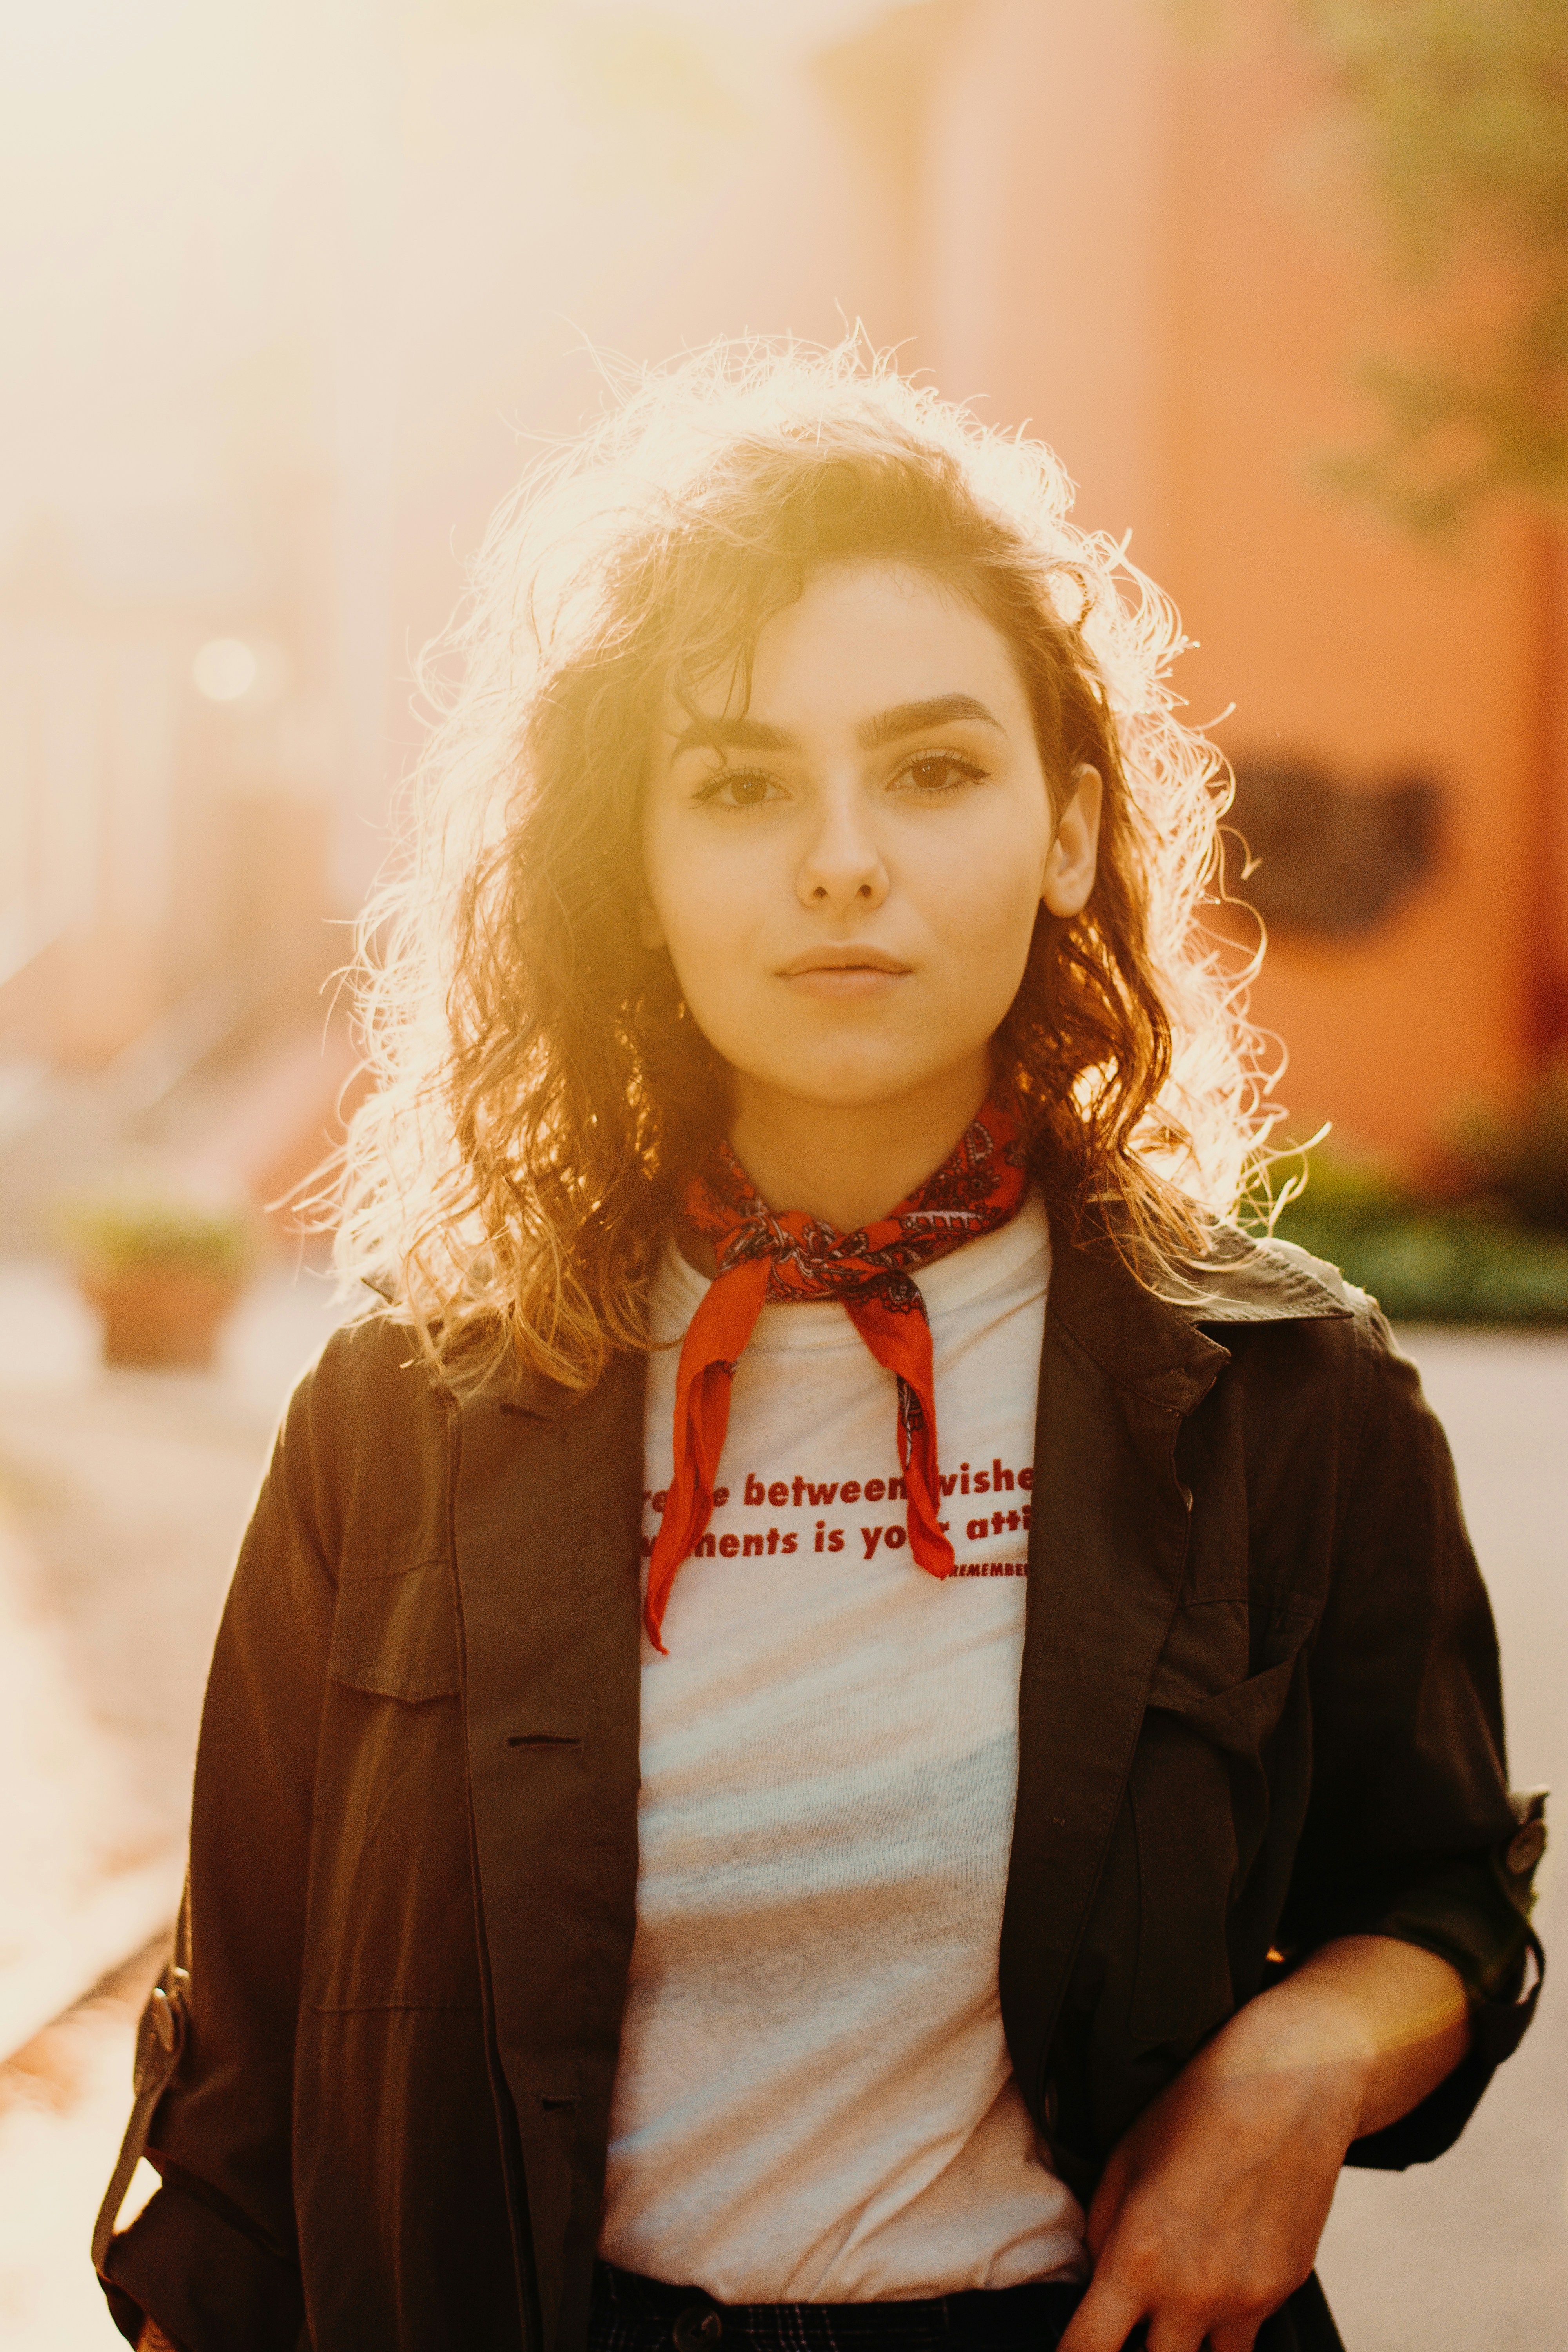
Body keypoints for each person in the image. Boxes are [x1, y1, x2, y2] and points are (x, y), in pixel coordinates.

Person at [95, 343, 1543, 2352]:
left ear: (1063, 834)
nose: (840, 858)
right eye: (742, 784)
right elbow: (241, 2093)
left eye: (935, 769)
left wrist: (1302, 2057)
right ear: (643, 868)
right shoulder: (404, 1412)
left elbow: (1451, 1897)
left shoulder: (1292, 1400)